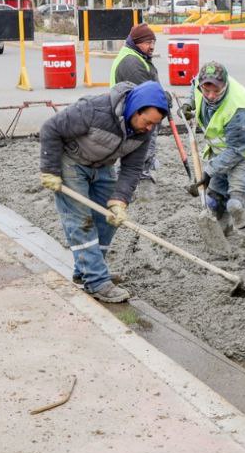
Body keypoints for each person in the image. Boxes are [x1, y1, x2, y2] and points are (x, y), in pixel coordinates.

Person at [38, 79, 170, 303]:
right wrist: (49, 169)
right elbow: (50, 128)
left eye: (154, 125)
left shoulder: (144, 132)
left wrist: (120, 200)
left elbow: (133, 167)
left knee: (108, 220)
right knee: (82, 222)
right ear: (135, 110)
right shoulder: (95, 110)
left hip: (103, 166)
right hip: (71, 162)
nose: (149, 129)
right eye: (147, 122)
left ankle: (88, 270)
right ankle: (97, 282)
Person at [182, 61, 245, 234]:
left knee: (236, 205)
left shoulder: (237, 109)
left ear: (225, 85)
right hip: (223, 150)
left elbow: (237, 150)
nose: (211, 96)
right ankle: (224, 231)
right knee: (213, 201)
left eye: (216, 91)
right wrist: (188, 103)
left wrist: (209, 172)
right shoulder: (199, 87)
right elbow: (193, 87)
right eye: (206, 91)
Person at [109, 23, 161, 181]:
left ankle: (142, 172)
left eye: (153, 42)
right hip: (134, 113)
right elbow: (146, 93)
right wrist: (163, 99)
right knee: (139, 146)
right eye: (147, 43)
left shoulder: (138, 56)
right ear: (136, 42)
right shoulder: (131, 62)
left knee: (144, 145)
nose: (151, 46)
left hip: (139, 111)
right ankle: (134, 175)